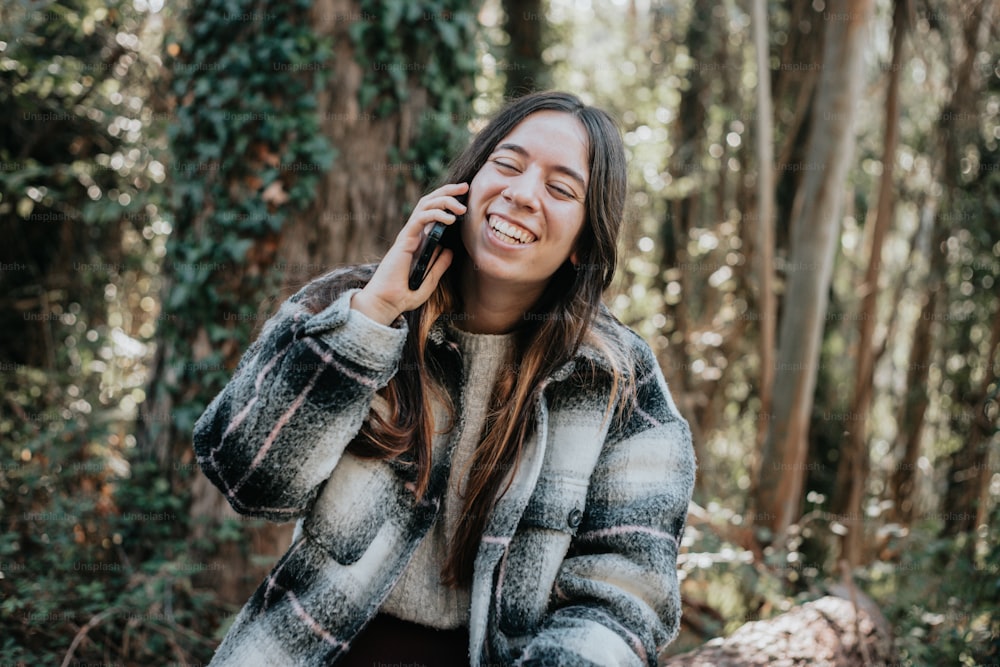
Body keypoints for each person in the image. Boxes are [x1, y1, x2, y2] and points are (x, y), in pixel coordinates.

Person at [193, 90, 695, 666]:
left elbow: (624, 598)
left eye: (561, 189)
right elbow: (249, 479)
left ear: (585, 242)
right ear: (467, 183)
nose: (523, 194)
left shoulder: (620, 384)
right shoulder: (348, 310)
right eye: (507, 164)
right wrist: (371, 320)